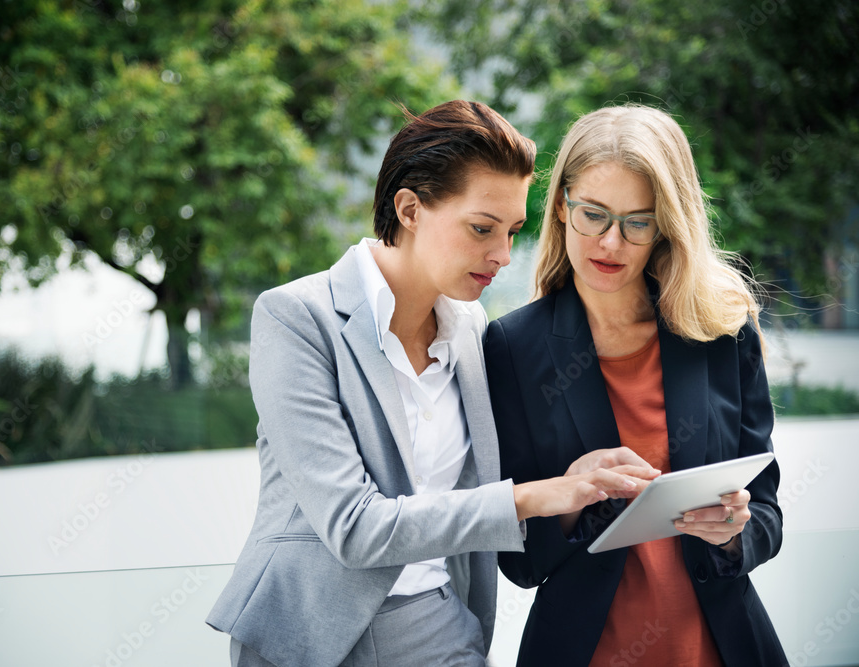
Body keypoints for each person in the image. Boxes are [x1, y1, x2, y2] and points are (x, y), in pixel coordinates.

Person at [206, 100, 657, 667]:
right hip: (309, 639)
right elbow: (354, 528)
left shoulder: (471, 329)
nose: (503, 256)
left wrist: (570, 483)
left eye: (513, 231)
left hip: (439, 629)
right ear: (410, 208)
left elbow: (473, 489)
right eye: (481, 229)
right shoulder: (297, 319)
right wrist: (533, 497)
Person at [484, 103, 787, 666]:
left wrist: (735, 532)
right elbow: (519, 563)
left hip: (720, 648)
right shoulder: (510, 348)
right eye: (593, 215)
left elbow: (766, 513)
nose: (611, 244)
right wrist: (571, 496)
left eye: (637, 222)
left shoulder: (721, 331)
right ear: (560, 206)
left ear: (666, 225)